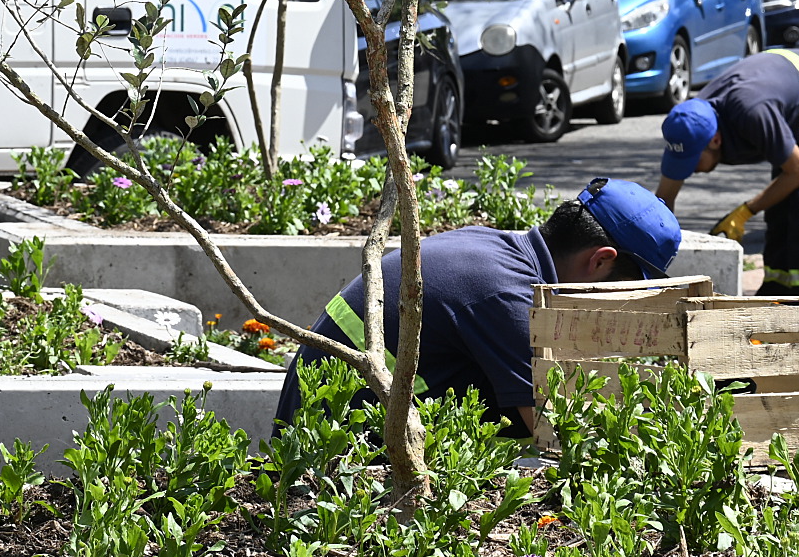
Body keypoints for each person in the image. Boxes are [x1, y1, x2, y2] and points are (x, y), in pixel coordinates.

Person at [271, 178, 684, 436]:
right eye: (625, 291)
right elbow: (558, 436)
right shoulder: (507, 296)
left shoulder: (497, 248)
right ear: (600, 260)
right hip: (331, 457)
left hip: (336, 417)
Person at [656, 46, 799, 295]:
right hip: (787, 99)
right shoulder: (690, 121)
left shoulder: (752, 112)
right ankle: (776, 290)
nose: (690, 170)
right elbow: (665, 197)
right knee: (779, 201)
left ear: (715, 140)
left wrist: (745, 212)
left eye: (693, 162)